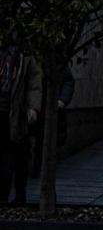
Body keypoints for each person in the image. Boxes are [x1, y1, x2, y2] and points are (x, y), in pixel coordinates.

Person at [0, 44, 42, 205]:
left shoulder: (25, 54)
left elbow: (34, 83)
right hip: (5, 111)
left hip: (17, 112)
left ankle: (18, 195)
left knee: (18, 156)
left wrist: (33, 107)